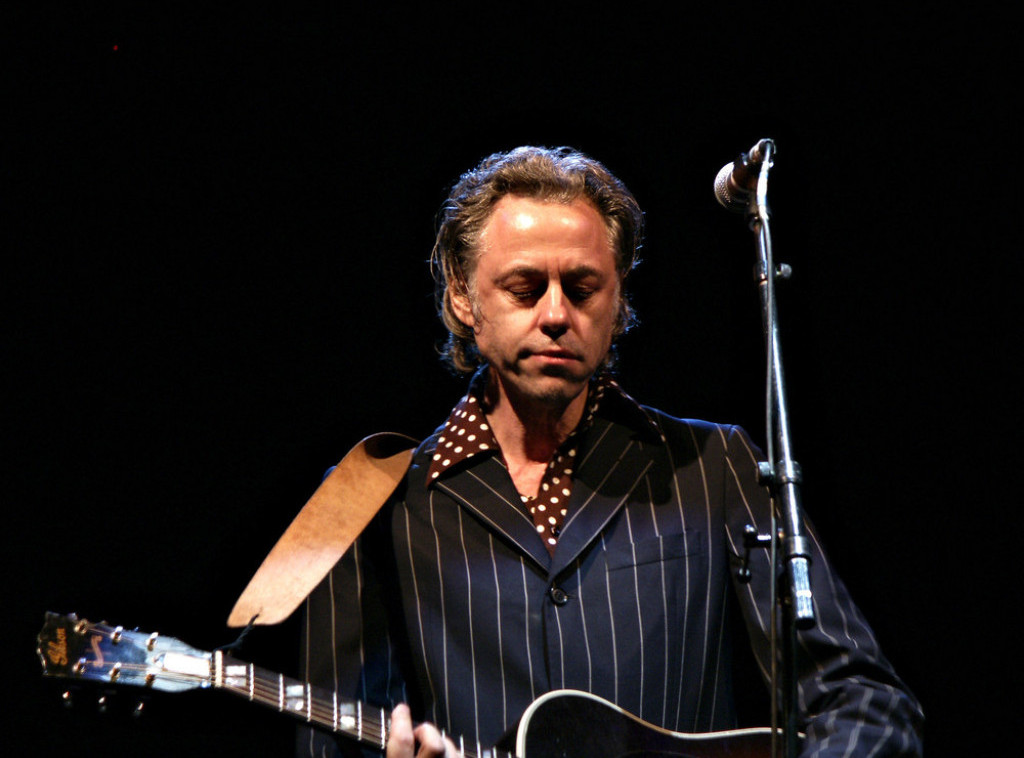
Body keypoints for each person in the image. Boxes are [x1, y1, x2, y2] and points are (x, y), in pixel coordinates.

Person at [298, 146, 924, 758]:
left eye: (581, 288)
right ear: (463, 296)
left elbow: (864, 700)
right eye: (524, 288)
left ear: (619, 298)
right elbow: (329, 740)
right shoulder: (370, 503)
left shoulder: (714, 466)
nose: (555, 314)